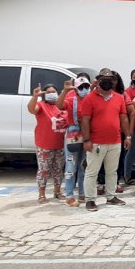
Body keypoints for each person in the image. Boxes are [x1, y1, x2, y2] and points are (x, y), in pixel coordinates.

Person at [81, 68, 132, 211]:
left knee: (112, 171)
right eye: (104, 79)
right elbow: (85, 120)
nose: (107, 82)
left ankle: (111, 196)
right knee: (92, 172)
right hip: (96, 142)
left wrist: (127, 136)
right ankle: (90, 200)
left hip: (115, 141)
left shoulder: (119, 97)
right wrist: (86, 140)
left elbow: (123, 117)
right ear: (98, 81)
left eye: (110, 80)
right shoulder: (89, 98)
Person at [28, 83, 67, 204]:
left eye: (53, 91)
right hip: (44, 145)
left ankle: (57, 192)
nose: (51, 94)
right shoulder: (41, 106)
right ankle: (42, 194)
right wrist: (35, 97)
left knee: (58, 170)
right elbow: (31, 109)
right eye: (48, 92)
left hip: (59, 145)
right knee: (44, 171)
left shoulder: (62, 106)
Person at [57, 74, 91, 207]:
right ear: (76, 89)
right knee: (71, 167)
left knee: (83, 165)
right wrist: (64, 91)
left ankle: (82, 192)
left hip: (87, 134)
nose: (84, 89)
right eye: (81, 87)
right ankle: (69, 195)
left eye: (86, 86)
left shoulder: (91, 99)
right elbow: (59, 105)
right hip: (73, 134)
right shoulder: (71, 99)